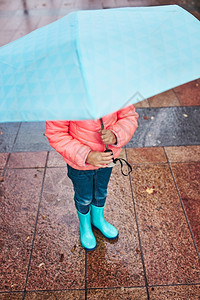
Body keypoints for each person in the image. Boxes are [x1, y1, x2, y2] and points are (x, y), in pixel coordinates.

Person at [45, 104, 138, 250]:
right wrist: (86, 155)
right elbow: (56, 133)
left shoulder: (115, 89)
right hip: (80, 164)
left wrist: (115, 135)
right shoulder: (64, 100)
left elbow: (129, 117)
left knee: (101, 192)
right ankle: (85, 225)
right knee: (84, 197)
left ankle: (98, 219)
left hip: (107, 159)